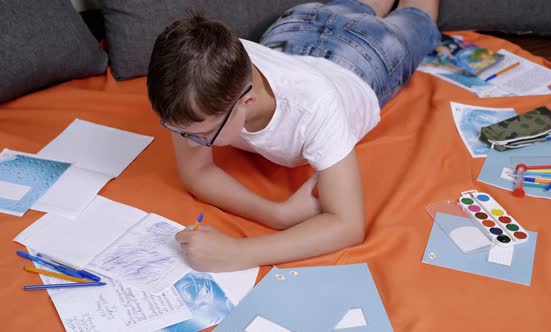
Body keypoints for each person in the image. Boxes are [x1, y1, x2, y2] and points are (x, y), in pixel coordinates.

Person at [147, 0, 441, 272]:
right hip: (297, 28)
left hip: (366, 55)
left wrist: (240, 252)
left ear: (245, 102)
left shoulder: (315, 106)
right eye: (178, 130)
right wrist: (276, 215)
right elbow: (196, 172)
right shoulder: (198, 77)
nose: (188, 143)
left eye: (203, 134)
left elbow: (347, 225)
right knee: (356, 5)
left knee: (418, 16)